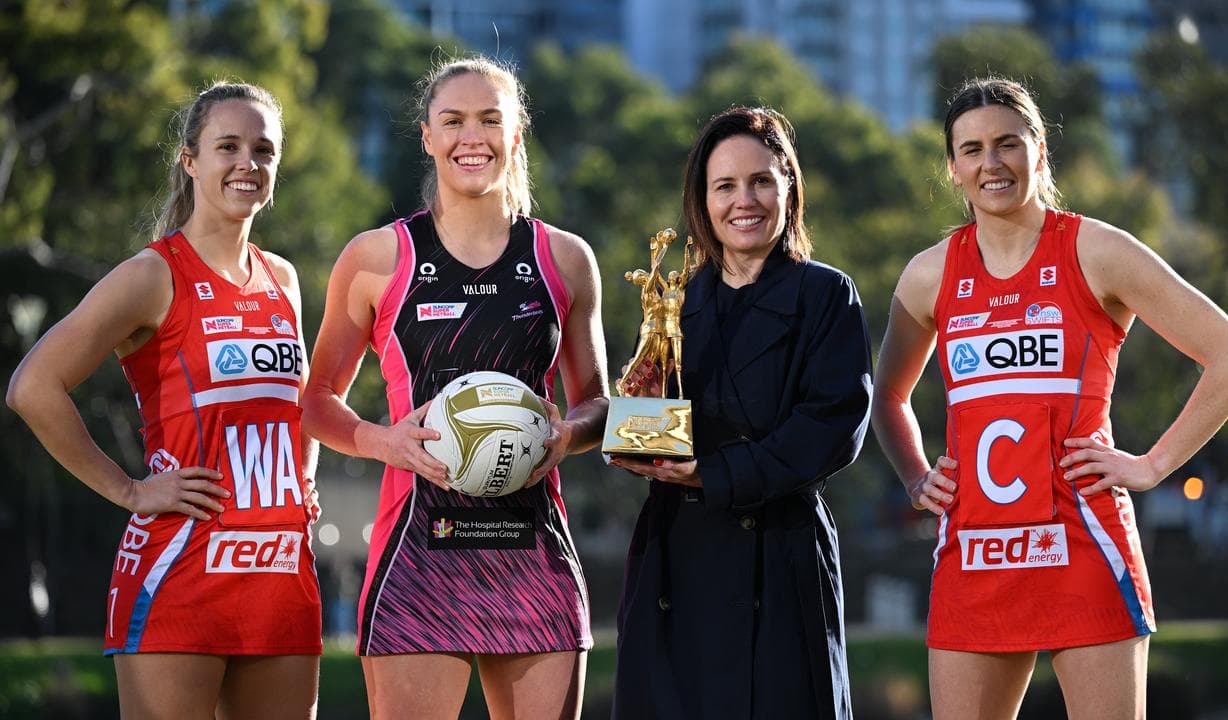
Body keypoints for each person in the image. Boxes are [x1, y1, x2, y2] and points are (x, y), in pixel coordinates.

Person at [871, 76, 1228, 719]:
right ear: (952, 167)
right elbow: (887, 394)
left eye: (1007, 143)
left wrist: (1152, 466)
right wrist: (916, 477)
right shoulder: (930, 273)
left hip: (1083, 548)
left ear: (1040, 150)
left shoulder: (1095, 250)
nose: (990, 163)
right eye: (971, 149)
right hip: (976, 554)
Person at [300, 56, 608, 720]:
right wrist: (383, 441)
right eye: (454, 121)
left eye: (491, 120)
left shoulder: (565, 259)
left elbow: (600, 404)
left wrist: (566, 435)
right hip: (418, 557)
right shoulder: (377, 258)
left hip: (534, 557)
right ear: (428, 136)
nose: (473, 137)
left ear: (517, 134)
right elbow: (316, 399)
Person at [6, 81, 322, 718]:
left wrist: (302, 481)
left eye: (263, 150)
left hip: (280, 575)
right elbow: (32, 388)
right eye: (227, 146)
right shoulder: (153, 275)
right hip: (180, 570)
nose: (246, 163)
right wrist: (129, 489)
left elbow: (301, 406)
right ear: (190, 160)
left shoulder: (281, 278)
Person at [609, 107, 873, 720]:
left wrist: (715, 474)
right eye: (724, 185)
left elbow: (834, 427)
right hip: (675, 561)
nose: (743, 201)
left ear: (789, 188)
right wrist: (633, 428)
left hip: (780, 557)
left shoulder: (826, 294)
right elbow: (644, 415)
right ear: (702, 200)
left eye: (760, 181)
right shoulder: (671, 304)